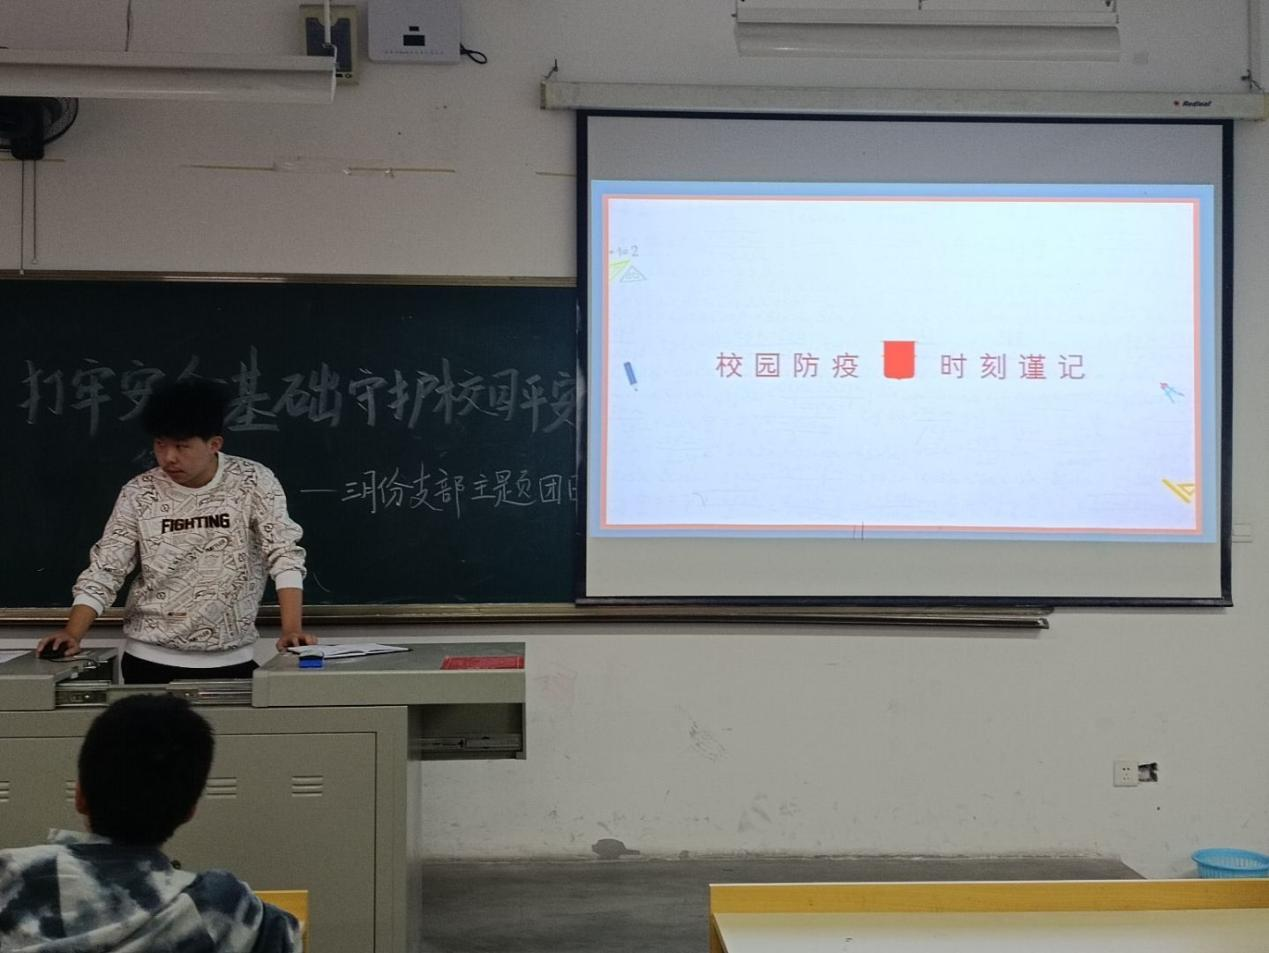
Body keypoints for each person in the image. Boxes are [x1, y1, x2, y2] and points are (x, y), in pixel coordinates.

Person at [37, 378, 317, 683]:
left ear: (214, 444)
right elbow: (107, 568)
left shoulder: (253, 481)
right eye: (161, 444)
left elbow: (284, 555)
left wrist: (291, 629)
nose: (169, 457)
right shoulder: (139, 492)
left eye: (182, 446)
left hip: (231, 660)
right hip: (149, 659)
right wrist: (72, 632)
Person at [0, 693, 302, 952]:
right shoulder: (221, 907)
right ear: (190, 811)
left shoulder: (9, 878)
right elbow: (286, 936)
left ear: (80, 796)